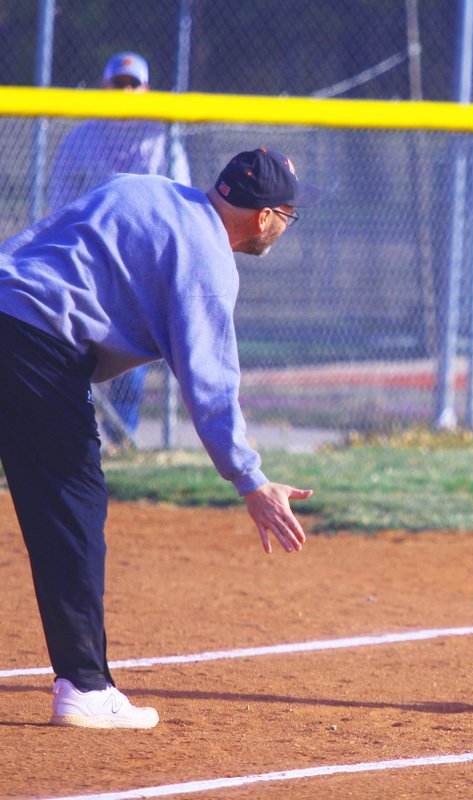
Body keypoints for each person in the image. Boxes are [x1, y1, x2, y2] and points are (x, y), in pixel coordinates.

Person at [0, 147, 319, 729]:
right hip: (36, 345)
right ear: (265, 215)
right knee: (72, 510)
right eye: (286, 216)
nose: (282, 228)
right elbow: (211, 386)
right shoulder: (209, 265)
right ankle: (86, 687)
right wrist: (250, 479)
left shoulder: (144, 187)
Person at [49, 51, 190, 448]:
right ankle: (79, 437)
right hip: (90, 261)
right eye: (119, 84)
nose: (126, 91)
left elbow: (180, 193)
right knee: (79, 348)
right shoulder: (82, 136)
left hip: (141, 263)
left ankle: (120, 438)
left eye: (134, 84)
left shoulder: (160, 134)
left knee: (135, 352)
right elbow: (61, 196)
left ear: (145, 89)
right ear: (104, 86)